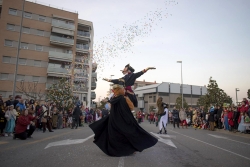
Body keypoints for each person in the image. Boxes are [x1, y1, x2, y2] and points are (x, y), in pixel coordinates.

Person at [89, 79, 157, 157]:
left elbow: (109, 107)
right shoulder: (124, 99)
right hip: (124, 120)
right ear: (120, 90)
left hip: (114, 121)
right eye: (123, 89)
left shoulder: (113, 100)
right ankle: (130, 148)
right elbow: (131, 107)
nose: (124, 90)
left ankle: (115, 149)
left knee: (114, 135)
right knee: (128, 133)